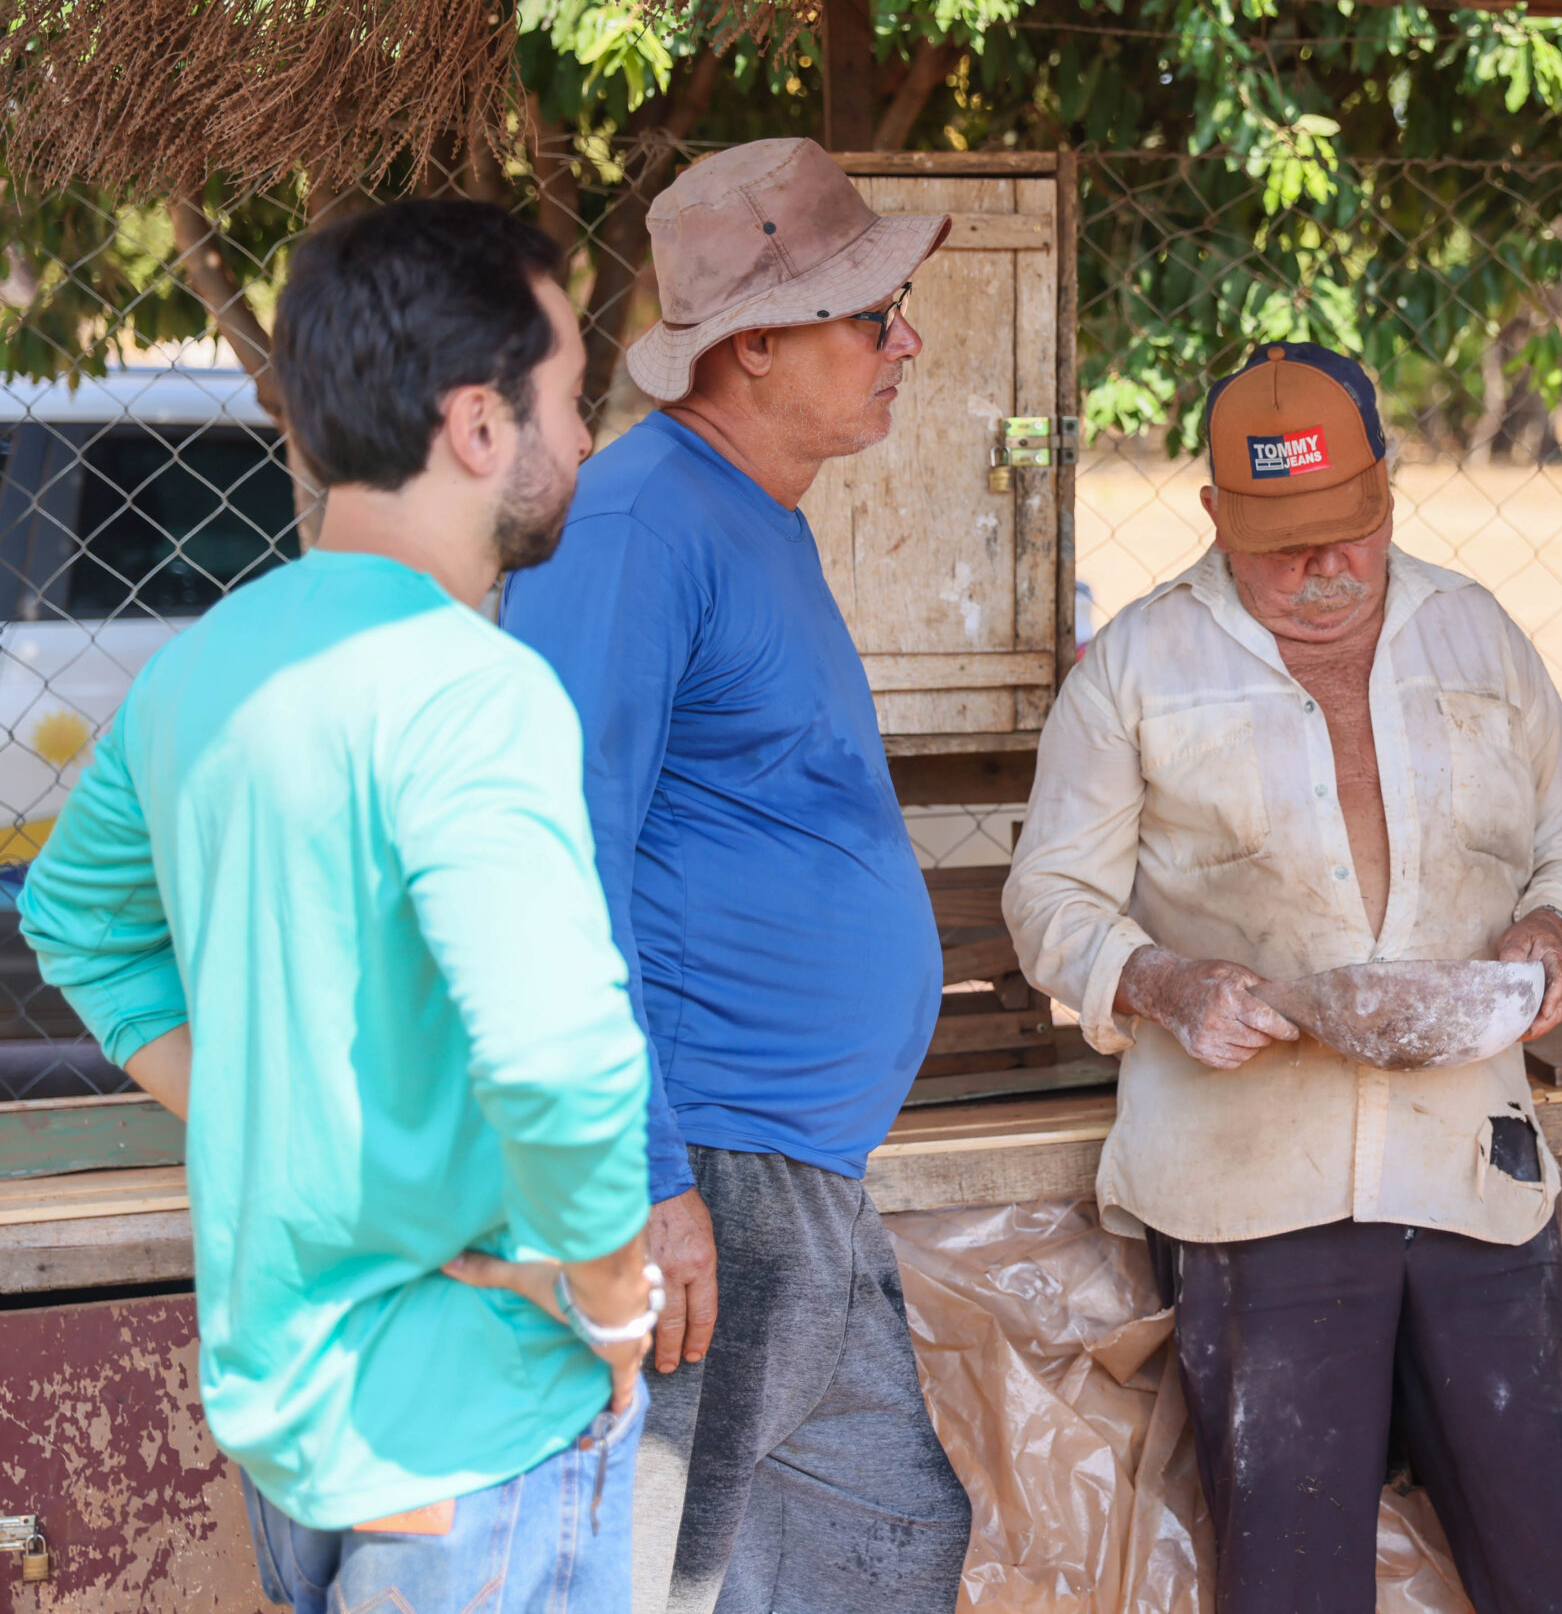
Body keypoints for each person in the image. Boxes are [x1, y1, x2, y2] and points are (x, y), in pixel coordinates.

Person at [17, 200, 660, 1612]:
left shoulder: (205, 668)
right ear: (479, 425)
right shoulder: (473, 694)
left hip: (288, 1408)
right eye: (566, 398)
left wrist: (258, 1109)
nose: (588, 439)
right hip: (474, 1406)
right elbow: (561, 1056)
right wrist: (616, 1298)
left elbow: (76, 919)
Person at [1003, 340, 1562, 1614]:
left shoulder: (1475, 633)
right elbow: (1049, 898)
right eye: (1279, 540)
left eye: (1345, 529)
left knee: (1551, 1562)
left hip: (1467, 1160)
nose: (1320, 570)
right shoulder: (1139, 665)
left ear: (1385, 491)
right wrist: (1164, 983)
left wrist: (1553, 933)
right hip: (1252, 1182)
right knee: (1290, 1582)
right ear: (1214, 517)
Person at [500, 135, 971, 1614]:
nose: (905, 339)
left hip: (794, 1173)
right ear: (753, 345)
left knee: (892, 1543)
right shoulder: (640, 521)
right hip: (707, 1161)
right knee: (664, 1576)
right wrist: (644, 1180)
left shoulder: (746, 514)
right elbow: (556, 846)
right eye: (868, 311)